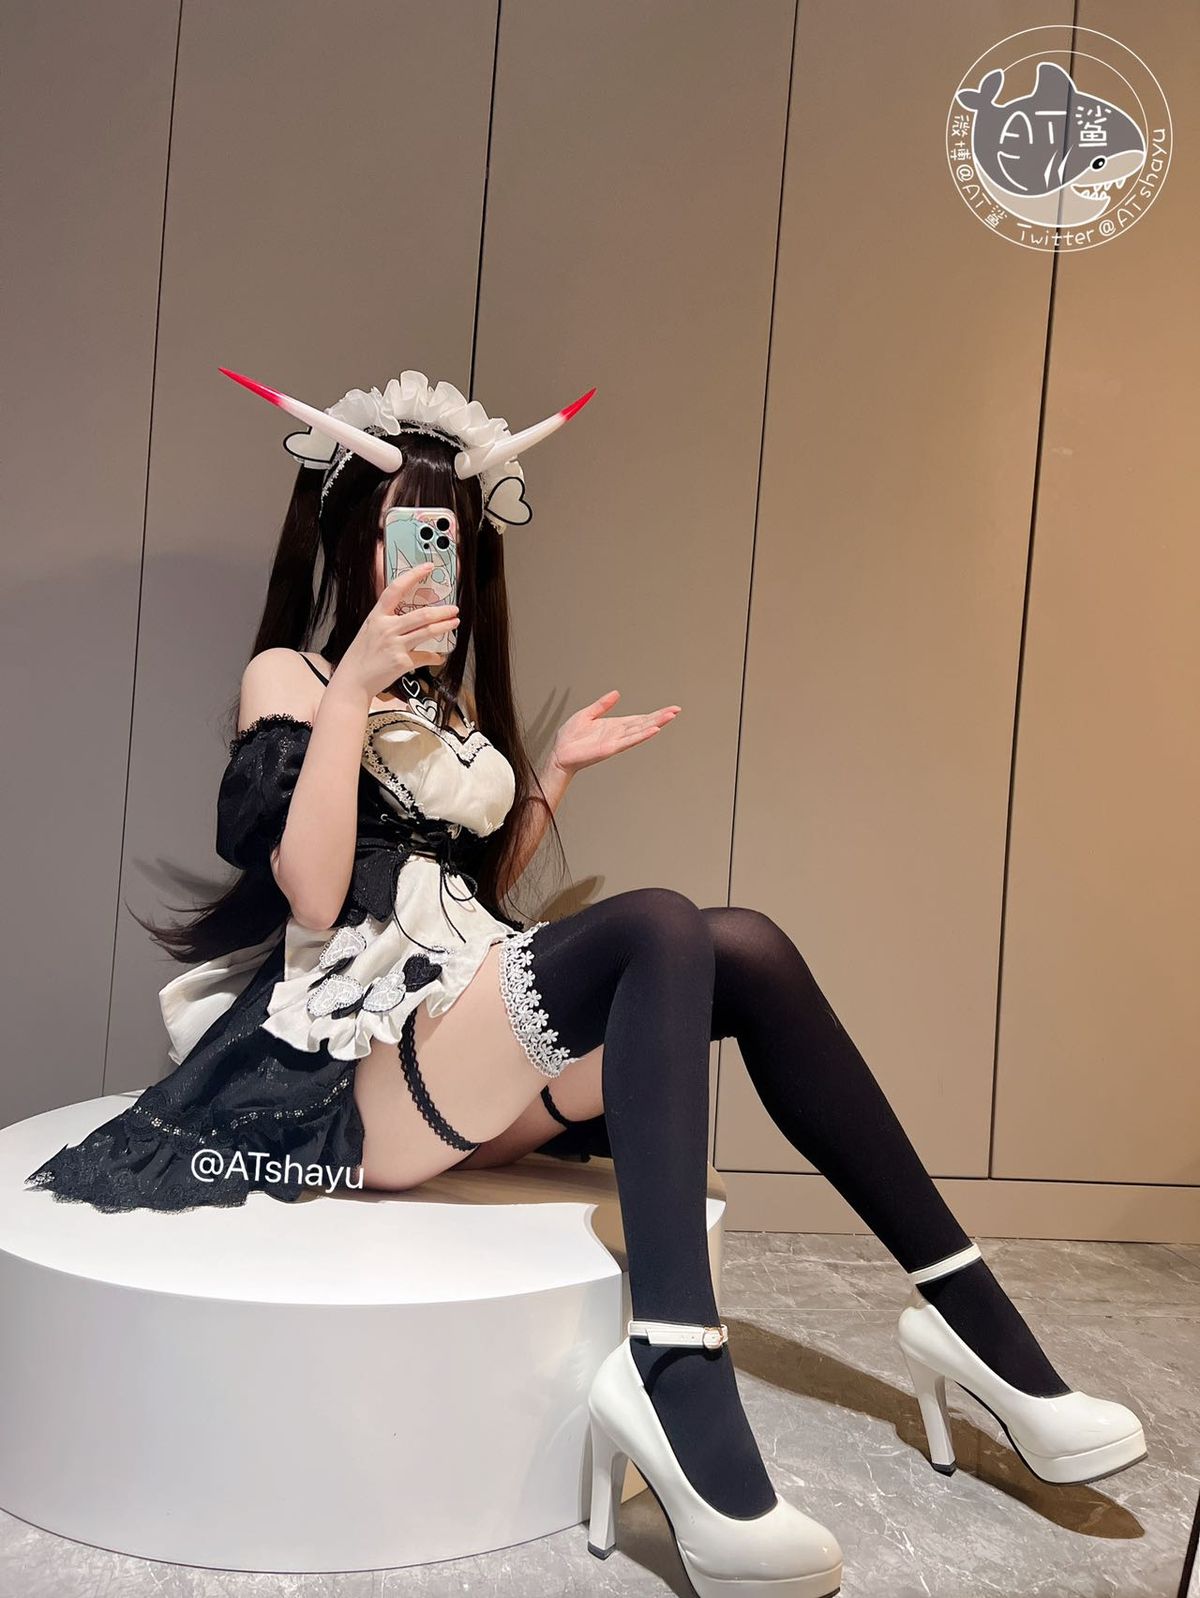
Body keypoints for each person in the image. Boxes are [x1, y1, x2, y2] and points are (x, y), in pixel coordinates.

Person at [25, 369, 1145, 1593]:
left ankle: (976, 1327)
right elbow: (315, 891)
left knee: (745, 944)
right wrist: (351, 685)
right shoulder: (292, 676)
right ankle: (673, 1364)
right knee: (658, 924)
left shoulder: (446, 702)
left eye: (448, 535)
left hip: (456, 1039)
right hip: (355, 1082)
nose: (427, 559)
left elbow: (461, 891)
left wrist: (551, 772)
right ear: (352, 537)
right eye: (402, 528)